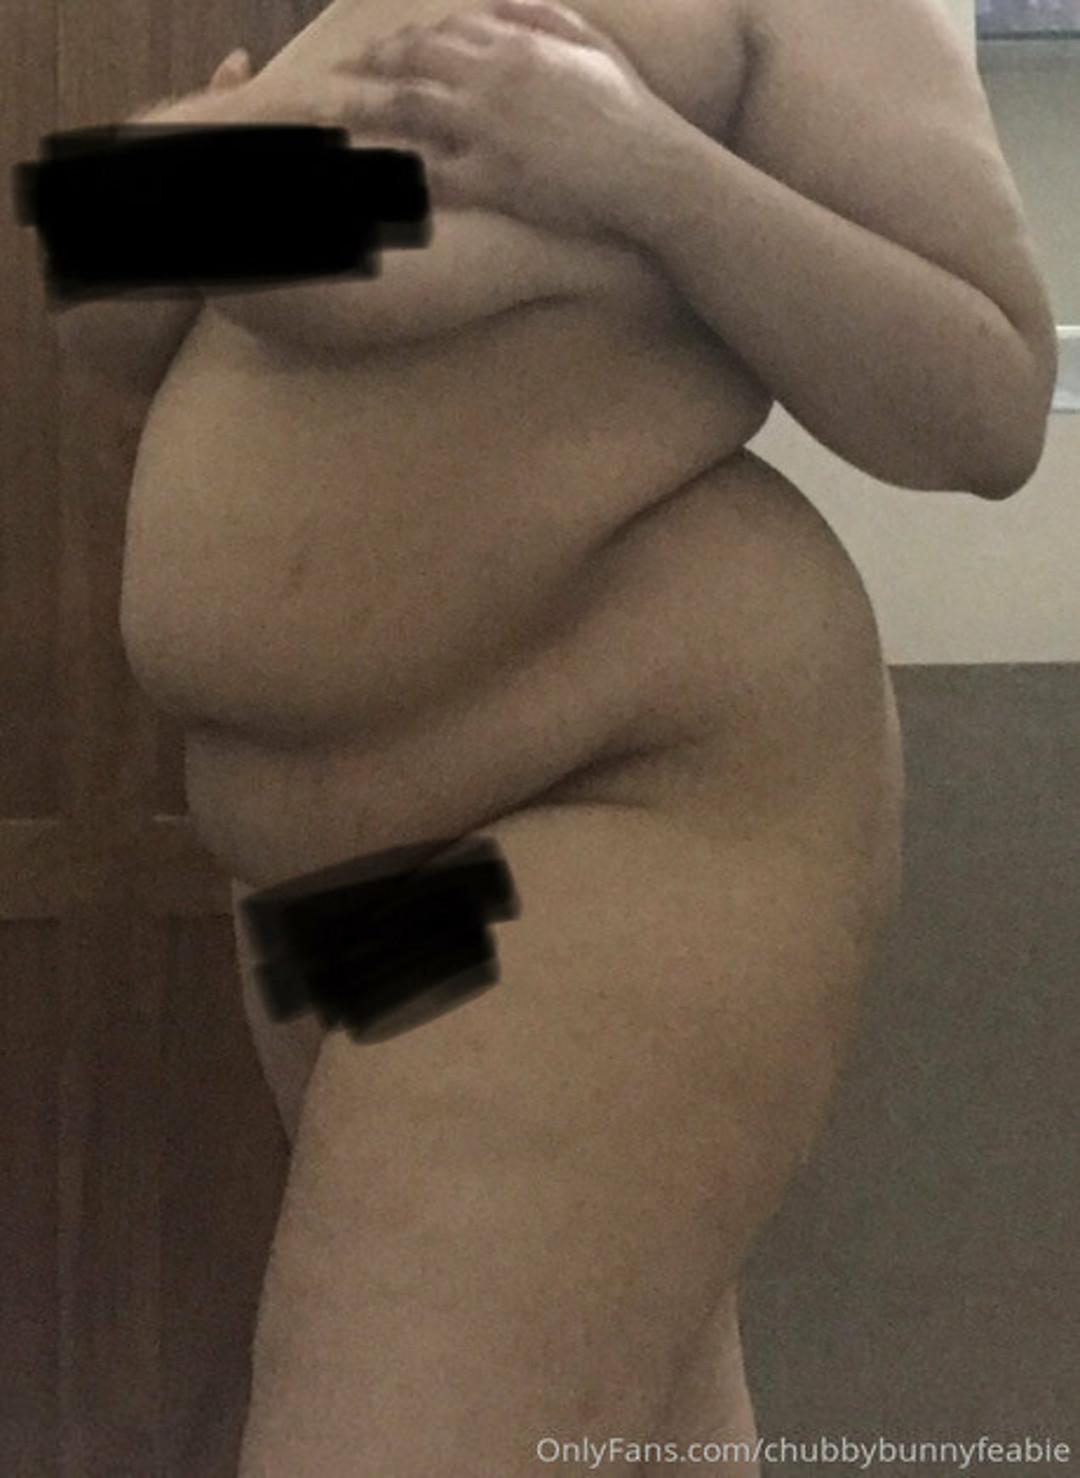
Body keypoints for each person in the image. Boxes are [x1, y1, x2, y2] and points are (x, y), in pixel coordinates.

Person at [58, 1, 1057, 1473]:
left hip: (609, 816)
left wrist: (646, 170)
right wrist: (184, 152)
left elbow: (990, 399)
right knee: (619, 1431)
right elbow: (107, 303)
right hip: (339, 891)